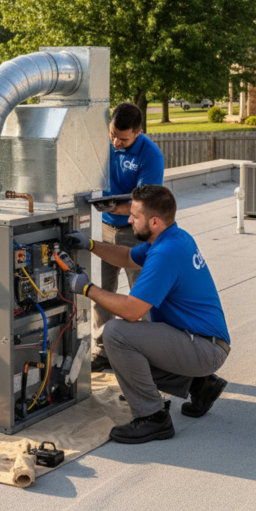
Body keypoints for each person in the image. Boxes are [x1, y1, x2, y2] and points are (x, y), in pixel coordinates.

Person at [64, 185, 230, 444]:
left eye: (135, 216)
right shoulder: (173, 237)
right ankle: (199, 386)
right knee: (132, 349)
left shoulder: (166, 254)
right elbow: (128, 256)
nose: (129, 220)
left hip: (203, 348)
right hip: (202, 341)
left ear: (154, 221)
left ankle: (152, 417)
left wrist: (86, 288)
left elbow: (131, 311)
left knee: (117, 334)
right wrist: (91, 245)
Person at [91, 102, 164, 372]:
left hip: (135, 233)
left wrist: (112, 207)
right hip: (104, 229)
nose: (115, 142)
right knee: (101, 292)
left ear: (138, 132)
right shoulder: (107, 142)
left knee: (140, 297)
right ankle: (102, 350)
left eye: (122, 139)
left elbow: (144, 204)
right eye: (112, 135)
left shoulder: (151, 156)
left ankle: (147, 357)